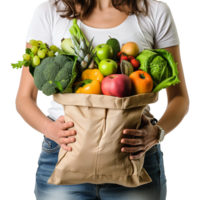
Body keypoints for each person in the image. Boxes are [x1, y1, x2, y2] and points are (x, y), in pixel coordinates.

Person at [14, 0, 190, 199]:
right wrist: (48, 129)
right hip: (63, 151)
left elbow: (180, 97)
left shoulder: (156, 10)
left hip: (135, 153)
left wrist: (157, 132)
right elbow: (24, 98)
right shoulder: (49, 10)